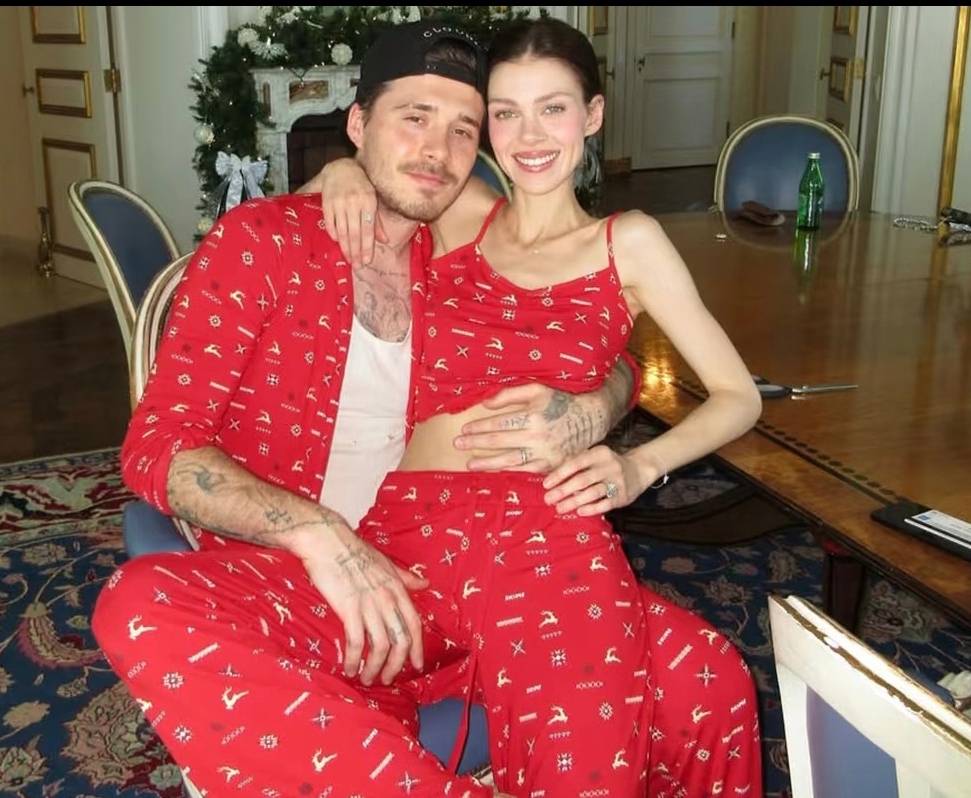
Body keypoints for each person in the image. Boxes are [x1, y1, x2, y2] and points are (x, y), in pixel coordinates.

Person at [93, 21, 636, 798]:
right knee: (138, 604)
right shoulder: (262, 244)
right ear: (357, 125)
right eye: (413, 117)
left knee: (704, 675)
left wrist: (600, 402)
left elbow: (602, 341)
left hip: (464, 573)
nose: (437, 150)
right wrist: (318, 535)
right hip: (296, 591)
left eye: (463, 129)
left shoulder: (465, 256)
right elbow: (156, 446)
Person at [306, 17, 767, 798]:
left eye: (553, 109)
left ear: (592, 115)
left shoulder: (629, 242)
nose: (529, 136)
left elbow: (739, 396)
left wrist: (638, 466)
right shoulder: (464, 211)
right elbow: (376, 166)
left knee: (710, 681)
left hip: (546, 527)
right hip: (420, 521)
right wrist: (342, 169)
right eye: (506, 112)